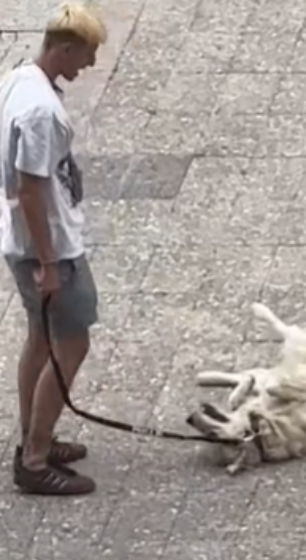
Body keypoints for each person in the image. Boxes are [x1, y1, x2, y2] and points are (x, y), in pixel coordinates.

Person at [0, 2, 107, 495]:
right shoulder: (41, 111)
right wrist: (48, 261)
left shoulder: (21, 78)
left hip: (22, 240)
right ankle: (36, 458)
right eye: (86, 55)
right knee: (72, 341)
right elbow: (30, 187)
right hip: (49, 247)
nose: (88, 65)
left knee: (41, 339)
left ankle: (33, 436)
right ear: (64, 48)